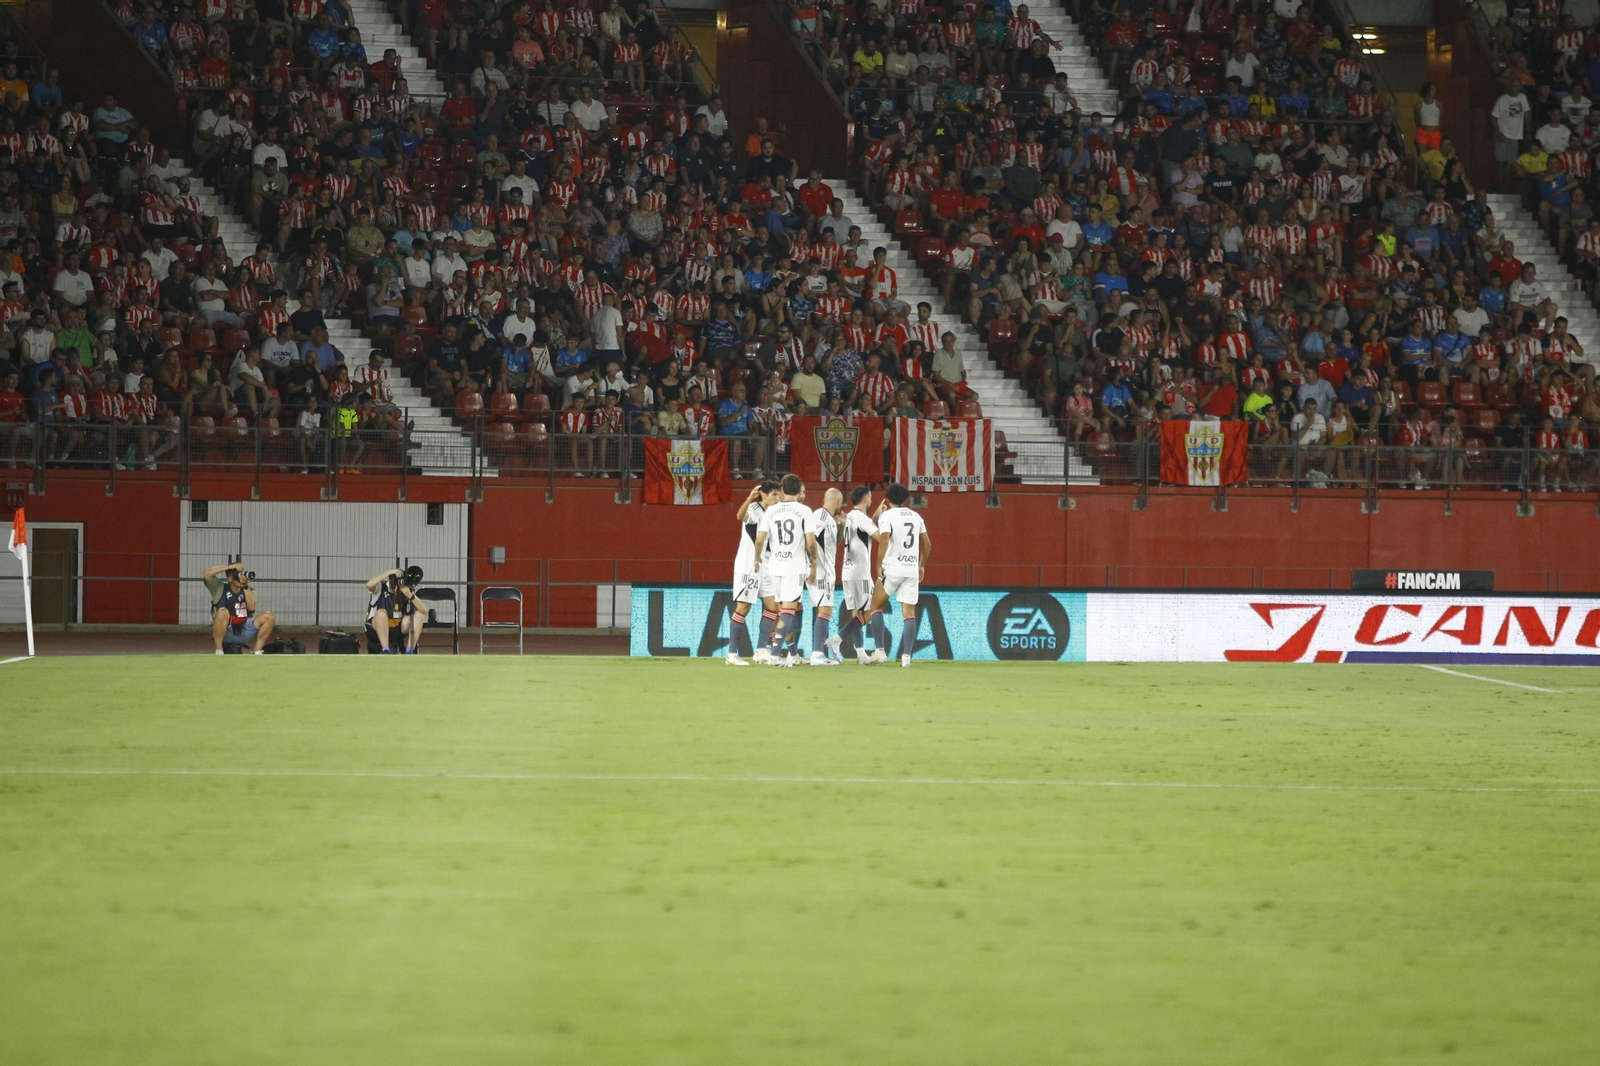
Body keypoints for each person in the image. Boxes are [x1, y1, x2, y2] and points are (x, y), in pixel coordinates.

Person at [868, 482, 931, 668]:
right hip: (911, 568)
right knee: (909, 614)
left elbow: (885, 539)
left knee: (875, 606)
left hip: (893, 567)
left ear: (887, 498)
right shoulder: (916, 516)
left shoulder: (887, 515)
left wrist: (878, 564)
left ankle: (880, 651)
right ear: (906, 499)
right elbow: (927, 544)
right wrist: (921, 565)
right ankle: (907, 658)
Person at [751, 473, 812, 666]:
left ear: (783, 490)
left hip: (774, 565)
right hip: (794, 566)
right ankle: (776, 654)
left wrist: (757, 558)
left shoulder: (771, 511)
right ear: (798, 490)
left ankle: (792, 654)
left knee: (781, 609)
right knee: (789, 609)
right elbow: (810, 543)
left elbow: (760, 540)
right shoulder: (805, 511)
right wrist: (815, 564)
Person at [724, 481, 778, 666]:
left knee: (773, 607)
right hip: (749, 565)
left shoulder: (773, 513)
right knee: (743, 608)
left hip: (766, 566)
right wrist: (748, 498)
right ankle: (731, 654)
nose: (777, 499)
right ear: (763, 495)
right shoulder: (754, 509)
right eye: (774, 495)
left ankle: (762, 650)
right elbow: (740, 516)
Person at [804, 488, 845, 666]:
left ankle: (819, 653)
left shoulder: (830, 520)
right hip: (820, 571)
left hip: (825, 570)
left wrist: (841, 526)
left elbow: (832, 544)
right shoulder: (820, 515)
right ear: (837, 502)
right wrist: (812, 564)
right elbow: (810, 538)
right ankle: (817, 654)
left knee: (823, 610)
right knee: (825, 610)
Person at [201, 562, 276, 654]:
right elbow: (206, 574)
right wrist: (229, 567)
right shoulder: (219, 588)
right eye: (237, 575)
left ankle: (257, 651)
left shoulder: (249, 590)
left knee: (269, 616)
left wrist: (245, 585)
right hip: (226, 631)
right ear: (229, 578)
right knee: (222, 612)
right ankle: (219, 650)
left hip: (244, 629)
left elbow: (251, 608)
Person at [364, 565, 426, 654]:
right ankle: (385, 650)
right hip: (377, 627)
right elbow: (369, 585)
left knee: (419, 615)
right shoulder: (381, 588)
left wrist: (409, 595)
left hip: (398, 628)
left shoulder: (405, 590)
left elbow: (424, 610)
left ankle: (409, 650)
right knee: (381, 613)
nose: (396, 588)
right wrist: (389, 572)